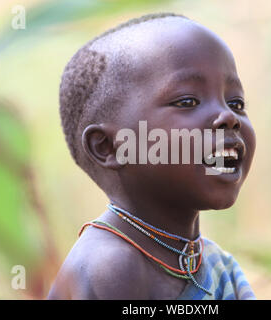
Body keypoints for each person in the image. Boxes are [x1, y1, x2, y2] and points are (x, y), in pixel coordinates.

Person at [48, 12, 256, 300]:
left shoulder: (217, 264)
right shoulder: (114, 265)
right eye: (187, 101)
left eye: (236, 102)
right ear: (109, 147)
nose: (228, 117)